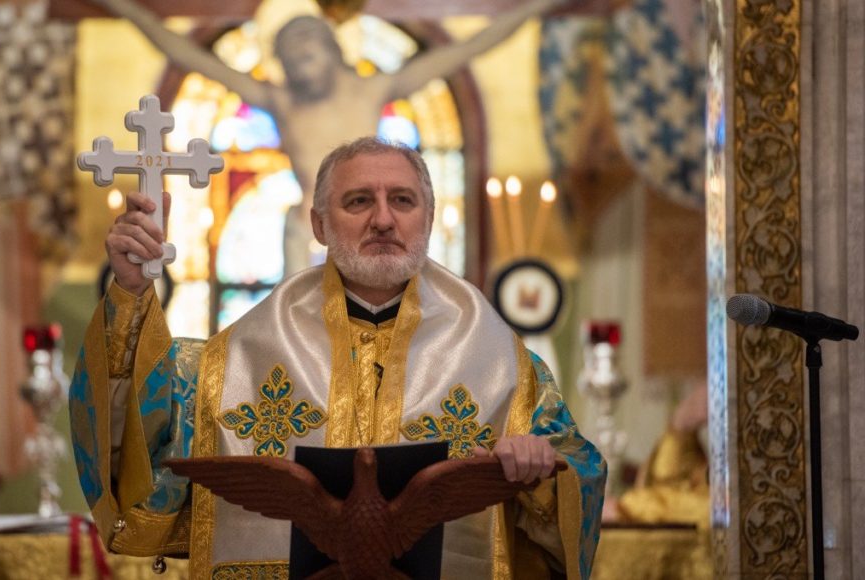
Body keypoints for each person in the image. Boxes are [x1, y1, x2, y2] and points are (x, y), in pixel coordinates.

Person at [70, 137, 605, 578]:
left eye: (402, 200)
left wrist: (542, 471)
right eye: (358, 202)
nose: (382, 220)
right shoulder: (230, 362)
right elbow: (136, 445)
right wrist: (131, 295)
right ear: (320, 225)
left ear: (428, 218)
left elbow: (579, 467)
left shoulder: (503, 365)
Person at [88, 0, 605, 273]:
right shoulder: (281, 100)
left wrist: (534, 7)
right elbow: (188, 54)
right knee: (298, 260)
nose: (301, 60)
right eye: (290, 56)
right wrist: (128, 8)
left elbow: (464, 52)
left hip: (369, 221)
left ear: (334, 51)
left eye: (310, 47)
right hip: (311, 228)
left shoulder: (372, 87)